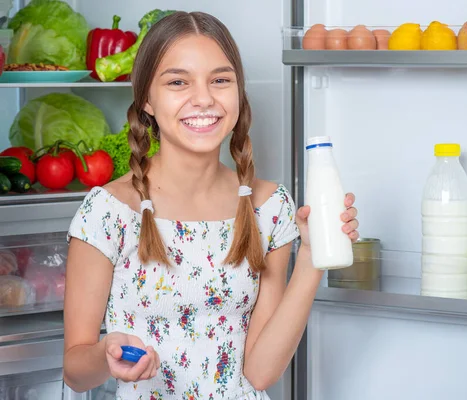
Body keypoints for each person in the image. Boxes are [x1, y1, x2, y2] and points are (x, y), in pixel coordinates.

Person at [62, 11, 359, 400]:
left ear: (239, 93)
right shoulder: (108, 212)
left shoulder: (269, 207)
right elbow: (74, 371)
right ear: (147, 99)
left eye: (220, 80)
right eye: (177, 82)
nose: (203, 99)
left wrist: (312, 257)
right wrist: (106, 354)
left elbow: (260, 372)